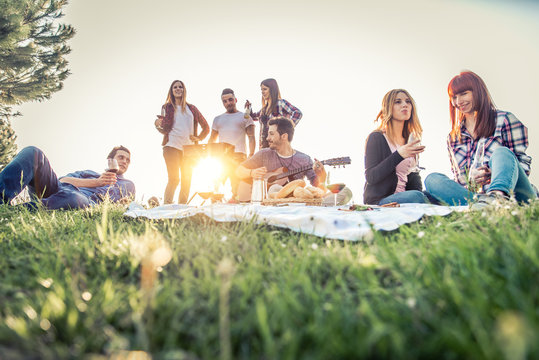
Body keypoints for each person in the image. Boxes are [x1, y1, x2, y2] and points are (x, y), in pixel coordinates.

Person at [425, 71, 536, 206]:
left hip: (515, 195)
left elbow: (522, 166)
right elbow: (459, 179)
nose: (458, 101)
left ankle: (497, 198)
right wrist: (470, 181)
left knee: (502, 152)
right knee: (432, 180)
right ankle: (484, 205)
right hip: (476, 197)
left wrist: (493, 173)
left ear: (477, 91)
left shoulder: (504, 120)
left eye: (464, 94)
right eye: (454, 97)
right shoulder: (453, 138)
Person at [236, 117, 351, 204]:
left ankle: (305, 207)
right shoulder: (263, 154)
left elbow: (318, 191)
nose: (267, 138)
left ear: (284, 136)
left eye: (271, 134)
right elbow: (238, 170)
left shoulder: (304, 159)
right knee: (274, 188)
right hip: (273, 200)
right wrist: (252, 173)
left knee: (346, 192)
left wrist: (322, 177)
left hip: (299, 200)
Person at [0, 145, 135, 209]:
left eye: (128, 160)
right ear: (110, 160)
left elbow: (124, 205)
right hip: (57, 188)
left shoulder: (127, 184)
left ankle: (11, 211)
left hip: (83, 201)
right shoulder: (89, 173)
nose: (124, 161)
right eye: (121, 157)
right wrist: (96, 182)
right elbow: (62, 180)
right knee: (33, 152)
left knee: (75, 198)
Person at [363, 89, 428, 205]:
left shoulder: (409, 140)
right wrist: (399, 155)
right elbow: (371, 176)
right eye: (398, 102)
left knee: (434, 185)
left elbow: (412, 177)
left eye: (408, 102)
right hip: (382, 200)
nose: (405, 105)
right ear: (388, 108)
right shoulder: (376, 137)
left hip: (407, 197)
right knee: (417, 196)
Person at [155, 80, 209, 204]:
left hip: (189, 150)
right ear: (172, 91)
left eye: (180, 87)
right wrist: (157, 125)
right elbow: (164, 129)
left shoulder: (192, 108)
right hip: (171, 146)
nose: (178, 89)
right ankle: (166, 208)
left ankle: (182, 210)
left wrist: (199, 138)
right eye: (175, 87)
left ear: (184, 90)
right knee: (174, 179)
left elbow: (206, 127)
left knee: (186, 180)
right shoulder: (167, 107)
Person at [208, 88, 256, 200]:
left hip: (239, 156)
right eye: (225, 101)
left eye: (230, 100)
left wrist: (251, 155)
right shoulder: (217, 119)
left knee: (237, 190)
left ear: (235, 100)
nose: (228, 103)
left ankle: (238, 214)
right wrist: (208, 155)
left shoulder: (245, 117)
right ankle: (215, 213)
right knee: (216, 188)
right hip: (221, 158)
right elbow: (212, 140)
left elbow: (251, 138)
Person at [246, 78, 302, 149]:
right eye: (261, 90)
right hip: (263, 147)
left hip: (277, 146)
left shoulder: (280, 103)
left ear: (272, 90)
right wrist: (248, 108)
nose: (262, 92)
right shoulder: (264, 109)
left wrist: (287, 128)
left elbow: (297, 113)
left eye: (265, 89)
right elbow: (251, 117)